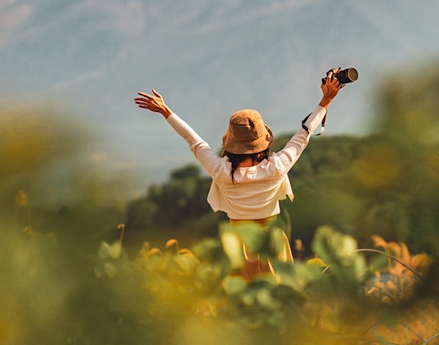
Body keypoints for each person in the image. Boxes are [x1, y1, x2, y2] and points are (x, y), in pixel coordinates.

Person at [132, 70, 342, 228]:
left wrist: (166, 111)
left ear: (231, 142)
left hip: (239, 244)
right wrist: (327, 99)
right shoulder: (276, 167)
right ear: (263, 141)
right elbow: (304, 134)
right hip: (272, 242)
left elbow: (193, 141)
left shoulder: (221, 172)